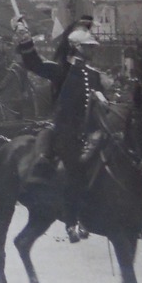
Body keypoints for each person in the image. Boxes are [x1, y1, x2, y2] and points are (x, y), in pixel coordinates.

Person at [15, 16, 108, 240]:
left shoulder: (93, 74)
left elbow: (97, 100)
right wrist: (25, 39)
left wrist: (102, 100)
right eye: (88, 47)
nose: (92, 51)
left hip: (91, 132)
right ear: (77, 48)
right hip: (66, 132)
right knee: (76, 171)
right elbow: (34, 64)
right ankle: (72, 221)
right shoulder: (61, 70)